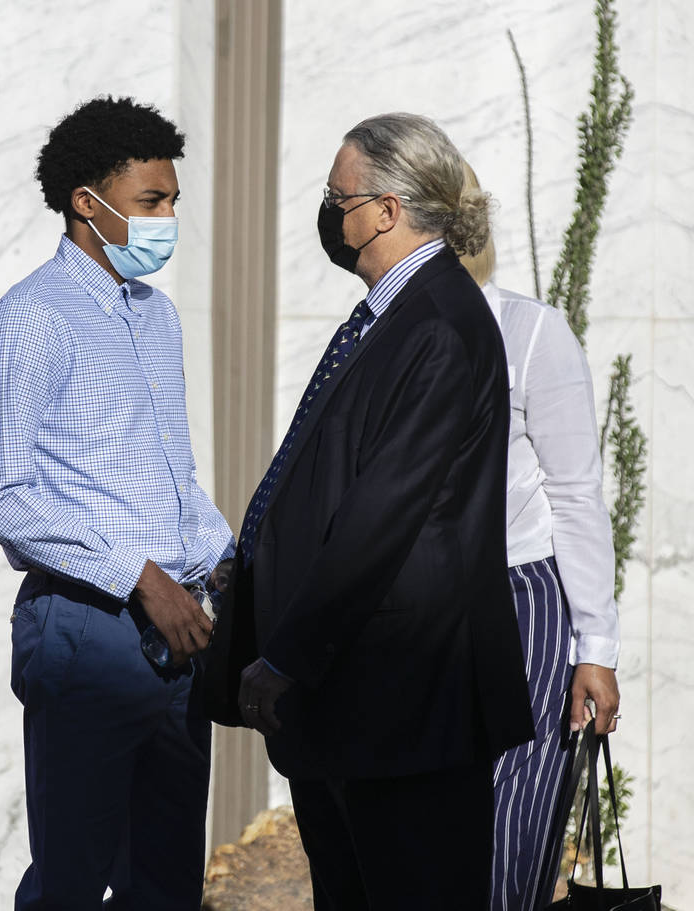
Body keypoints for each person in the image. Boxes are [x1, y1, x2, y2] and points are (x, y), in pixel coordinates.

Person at [226, 113, 535, 910]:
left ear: (388, 209)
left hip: (405, 706)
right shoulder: (395, 315)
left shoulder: (435, 324)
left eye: (339, 196)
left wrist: (289, 653)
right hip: (355, 704)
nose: (331, 213)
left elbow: (381, 517)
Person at [0, 96, 234, 910]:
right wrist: (141, 576)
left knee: (168, 881)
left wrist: (223, 559)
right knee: (72, 881)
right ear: (88, 202)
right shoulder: (29, 319)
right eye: (152, 201)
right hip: (87, 626)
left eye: (174, 200)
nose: (169, 217)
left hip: (180, 630)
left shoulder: (157, 318)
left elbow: (171, 473)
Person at [458, 162, 621, 911]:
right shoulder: (378, 331)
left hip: (520, 598)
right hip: (416, 611)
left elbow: (577, 493)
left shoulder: (527, 332)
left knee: (509, 829)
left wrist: (595, 647)